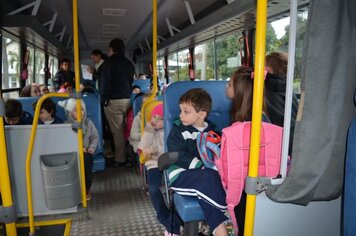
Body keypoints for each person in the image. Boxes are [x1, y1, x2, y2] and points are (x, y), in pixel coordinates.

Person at [166, 88, 228, 236]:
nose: (180, 115)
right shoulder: (178, 131)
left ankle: (221, 231)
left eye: (186, 112)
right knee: (209, 176)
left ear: (201, 114)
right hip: (182, 176)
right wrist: (201, 166)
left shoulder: (214, 133)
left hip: (206, 180)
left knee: (207, 191)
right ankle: (225, 206)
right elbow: (178, 155)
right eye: (181, 110)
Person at [225, 67, 269, 236]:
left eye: (229, 84)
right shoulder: (252, 112)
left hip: (247, 179)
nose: (226, 87)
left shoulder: (250, 121)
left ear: (240, 90)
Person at [137, 103, 174, 234]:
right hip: (154, 165)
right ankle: (166, 220)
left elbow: (166, 149)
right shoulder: (150, 131)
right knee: (154, 190)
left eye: (161, 118)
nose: (156, 121)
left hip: (170, 163)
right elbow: (142, 146)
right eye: (154, 117)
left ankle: (176, 223)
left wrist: (152, 149)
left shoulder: (170, 130)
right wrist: (149, 130)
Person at [101, 38, 135, 167]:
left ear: (112, 49)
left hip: (113, 101)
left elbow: (104, 84)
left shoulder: (108, 64)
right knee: (128, 127)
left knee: (117, 132)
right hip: (127, 100)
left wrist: (104, 100)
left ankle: (120, 159)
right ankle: (130, 153)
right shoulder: (129, 63)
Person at [58, 98, 99, 200]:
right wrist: (79, 148)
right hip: (71, 153)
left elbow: (94, 136)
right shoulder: (66, 125)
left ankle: (86, 188)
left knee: (87, 162)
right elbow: (65, 142)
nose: (80, 112)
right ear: (69, 112)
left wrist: (92, 147)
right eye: (76, 110)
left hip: (85, 153)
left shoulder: (88, 123)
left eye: (82, 110)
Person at [265, 52, 299, 154]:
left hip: (273, 142)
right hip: (293, 139)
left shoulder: (262, 87)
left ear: (268, 69)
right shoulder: (289, 89)